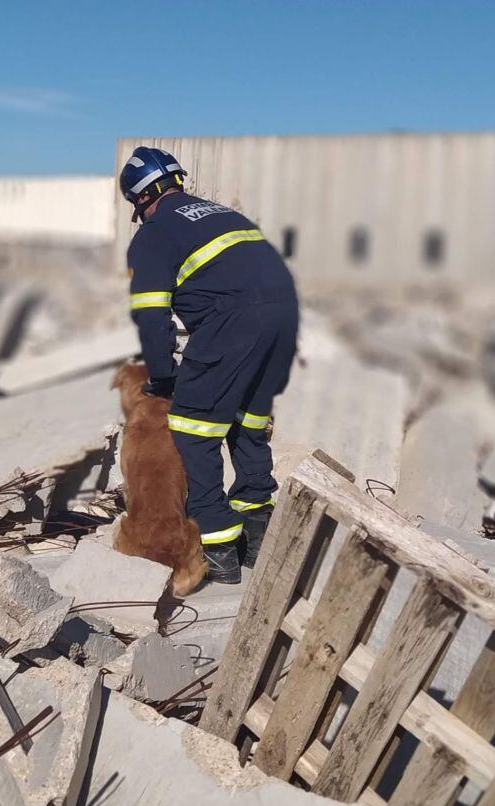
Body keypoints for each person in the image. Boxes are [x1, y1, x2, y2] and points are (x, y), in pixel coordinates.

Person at [119, 146, 299, 584]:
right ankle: (257, 535)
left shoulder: (155, 231)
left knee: (194, 429)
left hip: (232, 323)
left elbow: (151, 312)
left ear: (141, 199)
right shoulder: (224, 215)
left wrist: (163, 377)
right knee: (248, 421)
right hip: (284, 317)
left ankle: (219, 552)